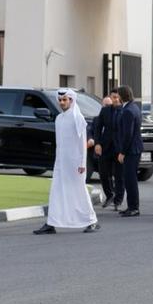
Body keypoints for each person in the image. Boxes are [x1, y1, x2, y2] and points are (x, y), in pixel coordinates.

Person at [34, 89, 99, 235]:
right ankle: (51, 223)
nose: (62, 102)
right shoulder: (59, 119)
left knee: (79, 192)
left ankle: (92, 220)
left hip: (76, 164)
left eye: (65, 100)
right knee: (56, 192)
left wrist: (82, 163)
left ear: (71, 100)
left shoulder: (77, 118)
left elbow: (82, 142)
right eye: (61, 100)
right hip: (61, 163)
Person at [90, 94, 124, 209]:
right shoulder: (105, 112)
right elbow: (97, 128)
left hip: (119, 148)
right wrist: (97, 143)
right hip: (105, 147)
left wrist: (123, 150)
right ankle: (110, 195)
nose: (112, 102)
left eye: (115, 99)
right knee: (104, 173)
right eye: (107, 103)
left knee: (119, 175)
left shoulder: (124, 111)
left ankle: (118, 201)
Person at [114, 85, 142, 217]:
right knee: (130, 178)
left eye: (118, 94)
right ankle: (131, 206)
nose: (116, 97)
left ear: (121, 95)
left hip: (130, 150)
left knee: (130, 179)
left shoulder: (128, 111)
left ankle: (134, 207)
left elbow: (127, 134)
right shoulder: (133, 107)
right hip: (134, 149)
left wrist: (122, 152)